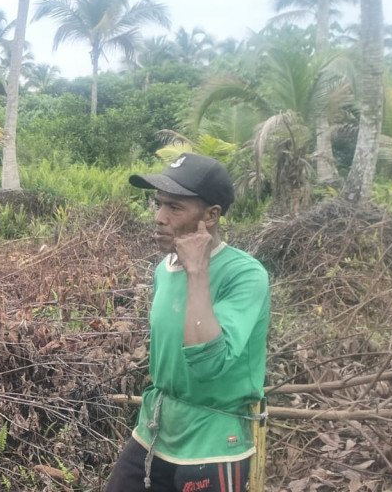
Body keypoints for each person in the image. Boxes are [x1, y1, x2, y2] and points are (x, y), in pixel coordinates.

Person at [105, 153, 269, 492]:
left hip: (213, 435)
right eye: (158, 204)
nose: (159, 218)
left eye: (175, 208)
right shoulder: (163, 270)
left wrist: (198, 270)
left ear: (210, 216)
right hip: (158, 426)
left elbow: (208, 364)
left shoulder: (245, 275)